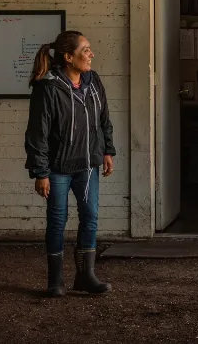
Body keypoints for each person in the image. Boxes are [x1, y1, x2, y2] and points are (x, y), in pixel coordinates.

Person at [25, 30, 116, 297]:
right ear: (68, 57)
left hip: (88, 165)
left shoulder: (93, 80)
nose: (91, 54)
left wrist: (107, 150)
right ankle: (55, 281)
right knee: (57, 221)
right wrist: (40, 172)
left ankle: (85, 277)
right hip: (57, 169)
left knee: (90, 218)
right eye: (85, 50)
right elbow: (37, 134)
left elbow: (104, 119)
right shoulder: (48, 87)